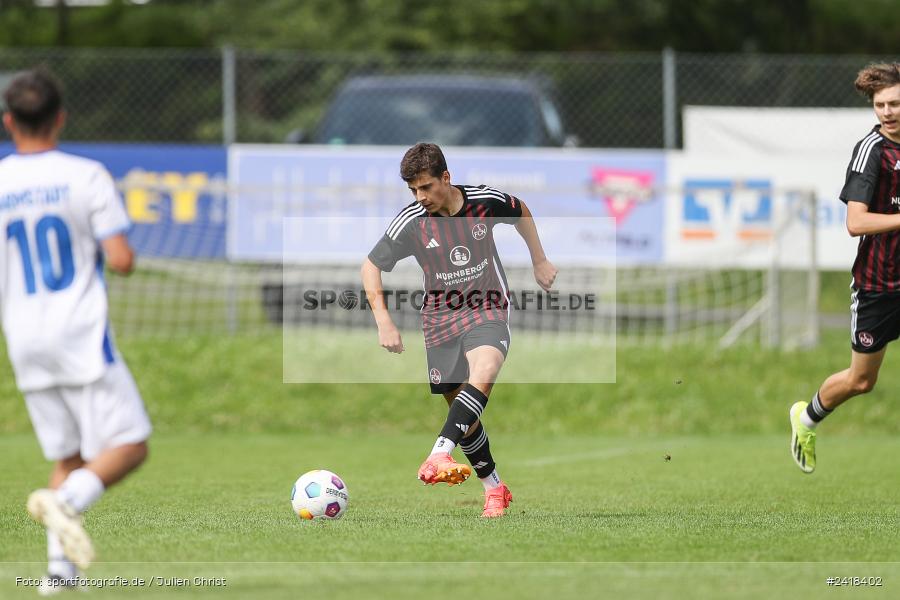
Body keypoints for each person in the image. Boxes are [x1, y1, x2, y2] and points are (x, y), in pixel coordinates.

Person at [0, 69, 151, 592]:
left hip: (23, 337)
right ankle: (66, 503)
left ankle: (58, 577)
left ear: (8, 121)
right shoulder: (85, 175)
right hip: (78, 333)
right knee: (131, 445)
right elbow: (122, 258)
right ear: (60, 117)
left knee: (70, 456)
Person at [361, 142, 557, 517]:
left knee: (484, 371)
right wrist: (383, 320)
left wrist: (540, 260)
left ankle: (438, 454)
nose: (420, 197)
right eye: (413, 190)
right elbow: (370, 266)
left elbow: (521, 213)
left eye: (425, 187)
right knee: (463, 414)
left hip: (488, 308)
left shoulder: (484, 201)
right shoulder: (413, 221)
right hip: (439, 319)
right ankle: (495, 489)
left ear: (446, 178)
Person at [790, 62, 900, 473]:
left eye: (895, 103)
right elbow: (856, 222)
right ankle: (806, 419)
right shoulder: (871, 152)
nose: (888, 111)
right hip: (878, 284)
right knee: (861, 382)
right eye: (880, 105)